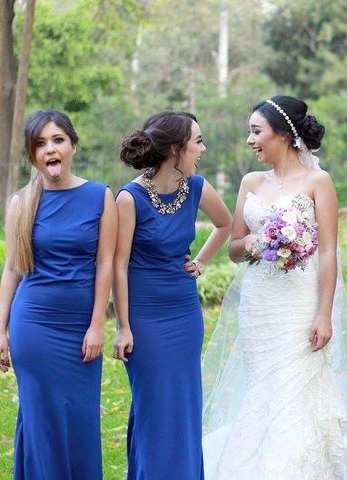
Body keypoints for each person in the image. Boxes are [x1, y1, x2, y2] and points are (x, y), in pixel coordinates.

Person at [201, 95, 347, 479]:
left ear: (283, 133)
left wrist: (324, 313)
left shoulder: (319, 182)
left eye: (256, 131)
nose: (250, 140)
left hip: (300, 303)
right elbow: (233, 248)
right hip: (259, 303)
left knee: (295, 392)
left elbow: (329, 252)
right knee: (263, 390)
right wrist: (250, 243)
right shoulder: (251, 181)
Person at [0, 109, 117, 479]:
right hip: (34, 326)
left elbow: (105, 265)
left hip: (81, 328)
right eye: (40, 143)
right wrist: (0, 331)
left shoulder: (100, 197)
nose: (50, 149)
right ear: (32, 154)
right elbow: (12, 268)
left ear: (73, 146)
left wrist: (97, 326)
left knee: (80, 421)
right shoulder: (21, 202)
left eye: (58, 140)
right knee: (40, 420)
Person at [114, 111, 231, 479]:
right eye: (197, 142)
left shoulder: (196, 187)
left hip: (183, 312)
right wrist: (123, 327)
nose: (203, 149)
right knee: (153, 406)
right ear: (175, 150)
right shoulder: (129, 198)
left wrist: (200, 262)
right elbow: (117, 266)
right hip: (144, 318)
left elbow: (225, 224)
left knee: (183, 405)